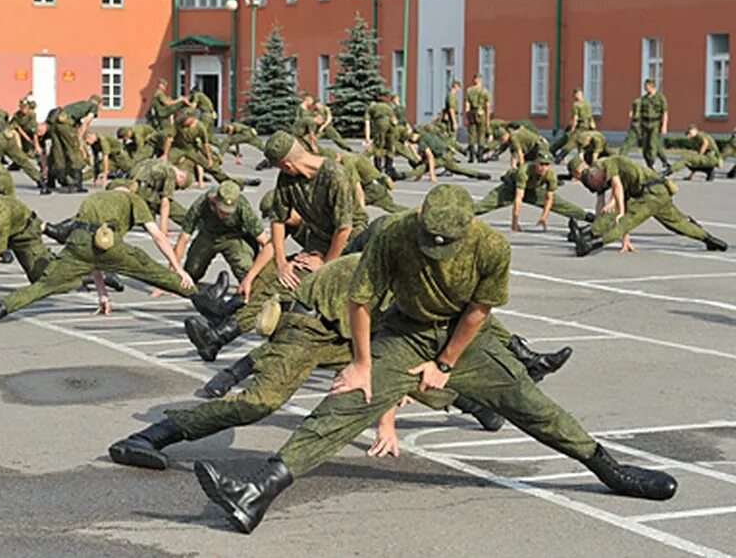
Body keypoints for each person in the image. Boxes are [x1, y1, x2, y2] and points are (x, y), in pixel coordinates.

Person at [192, 185, 679, 534]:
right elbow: (360, 301)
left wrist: (444, 365)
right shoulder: (396, 235)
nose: (436, 251)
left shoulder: (491, 247)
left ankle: (612, 472)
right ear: (421, 216)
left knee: (532, 406)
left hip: (467, 339)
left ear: (468, 227)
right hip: (404, 332)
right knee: (343, 404)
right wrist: (362, 365)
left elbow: (479, 311)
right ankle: (256, 493)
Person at [109, 249, 573, 471]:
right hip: (307, 327)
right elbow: (374, 350)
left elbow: (465, 323)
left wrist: (509, 359)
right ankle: (150, 436)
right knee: (260, 404)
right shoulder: (392, 275)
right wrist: (385, 423)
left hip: (342, 326)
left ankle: (481, 406)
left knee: (426, 375)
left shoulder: (422, 274)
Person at [185, 131, 368, 361]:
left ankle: (218, 335)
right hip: (318, 244)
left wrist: (325, 265)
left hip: (347, 247)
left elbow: (345, 228)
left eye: (280, 167)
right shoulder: (288, 178)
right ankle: (216, 335)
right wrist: (271, 267)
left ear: (288, 164)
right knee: (268, 276)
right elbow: (278, 223)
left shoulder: (334, 176)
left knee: (284, 286)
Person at [0, 187, 197, 327]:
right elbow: (158, 237)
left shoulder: (96, 199)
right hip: (108, 246)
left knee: (42, 286)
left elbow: (91, 257)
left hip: (77, 244)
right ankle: (207, 302)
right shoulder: (134, 200)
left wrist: (102, 295)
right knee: (154, 273)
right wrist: (178, 268)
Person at [571, 156, 727, 256]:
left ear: (595, 173)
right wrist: (625, 237)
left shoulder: (610, 164)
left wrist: (620, 212)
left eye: (594, 181)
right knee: (678, 224)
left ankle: (591, 245)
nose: (599, 185)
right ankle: (710, 240)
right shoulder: (610, 173)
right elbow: (616, 200)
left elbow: (618, 193)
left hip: (652, 194)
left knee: (626, 219)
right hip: (658, 192)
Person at [474, 150, 593, 233]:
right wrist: (514, 224)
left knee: (561, 204)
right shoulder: (524, 171)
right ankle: (463, 212)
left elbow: (549, 199)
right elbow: (518, 198)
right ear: (535, 162)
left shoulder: (550, 174)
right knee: (485, 205)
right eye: (541, 164)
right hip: (511, 188)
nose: (544, 168)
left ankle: (587, 217)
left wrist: (543, 218)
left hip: (533, 189)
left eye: (547, 164)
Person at [174, 181, 269, 283]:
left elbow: (265, 241)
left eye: (228, 213)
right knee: (191, 272)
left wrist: (275, 272)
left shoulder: (243, 207)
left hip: (233, 238)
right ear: (214, 200)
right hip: (208, 236)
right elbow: (183, 238)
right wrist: (173, 274)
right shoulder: (202, 203)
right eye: (222, 211)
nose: (225, 215)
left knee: (246, 270)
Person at [0, 104, 45, 191]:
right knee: (22, 160)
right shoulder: (0, 113)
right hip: (9, 136)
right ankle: (40, 181)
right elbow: (6, 117)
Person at [551, 88, 596, 163]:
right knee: (582, 143)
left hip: (580, 127)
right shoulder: (588, 104)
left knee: (570, 141)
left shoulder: (576, 105)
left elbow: (575, 118)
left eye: (575, 95)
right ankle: (583, 159)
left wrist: (572, 129)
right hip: (588, 127)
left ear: (576, 95)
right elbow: (591, 117)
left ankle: (559, 155)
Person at [638, 79, 669, 169]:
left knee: (652, 145)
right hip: (645, 123)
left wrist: (664, 126)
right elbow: (640, 114)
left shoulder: (660, 98)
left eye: (646, 86)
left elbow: (665, 113)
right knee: (645, 147)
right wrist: (639, 127)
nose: (645, 87)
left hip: (655, 123)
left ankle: (651, 164)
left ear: (652, 86)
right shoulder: (644, 99)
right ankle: (663, 161)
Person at [464, 73, 492, 163]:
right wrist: (488, 119)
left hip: (472, 112)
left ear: (474, 80)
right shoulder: (485, 91)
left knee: (471, 134)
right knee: (481, 134)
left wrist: (466, 116)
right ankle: (480, 156)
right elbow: (488, 106)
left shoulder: (469, 90)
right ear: (481, 80)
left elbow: (467, 105)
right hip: (481, 113)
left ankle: (471, 157)